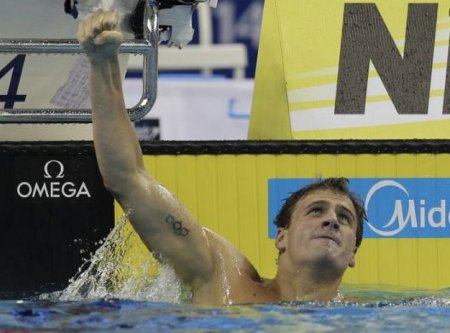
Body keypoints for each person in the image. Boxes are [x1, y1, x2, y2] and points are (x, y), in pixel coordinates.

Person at [77, 9, 366, 305]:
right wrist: (103, 65)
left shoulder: (368, 317)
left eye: (344, 219)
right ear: (282, 237)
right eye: (316, 210)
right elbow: (127, 179)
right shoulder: (222, 275)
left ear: (353, 252)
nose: (332, 220)